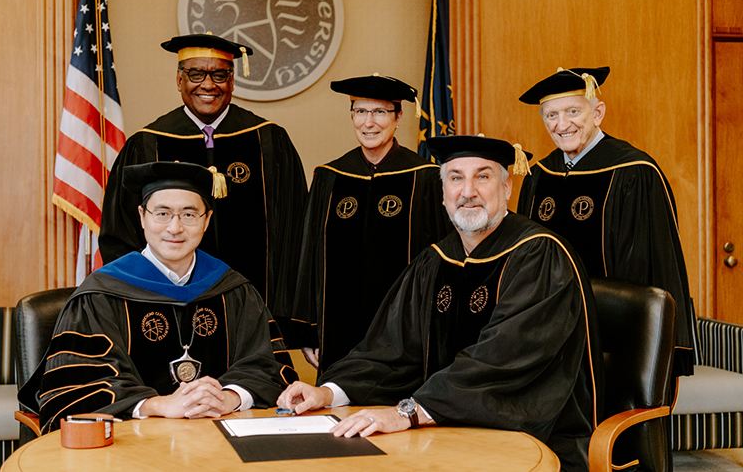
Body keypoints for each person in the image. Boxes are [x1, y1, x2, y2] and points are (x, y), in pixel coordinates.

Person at [278, 136, 603, 472]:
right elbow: (391, 348)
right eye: (456, 178)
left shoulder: (540, 254)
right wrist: (330, 393)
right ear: (444, 194)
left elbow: (501, 360)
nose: (468, 191)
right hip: (446, 431)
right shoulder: (435, 261)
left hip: (535, 441)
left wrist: (408, 411)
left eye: (483, 176)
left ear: (507, 187)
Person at [19, 162, 295, 433]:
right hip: (130, 446)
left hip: (219, 438)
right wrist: (157, 404)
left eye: (189, 214)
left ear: (207, 219)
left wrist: (228, 397)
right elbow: (78, 385)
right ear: (142, 216)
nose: (174, 228)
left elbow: (266, 366)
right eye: (162, 213)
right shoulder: (101, 294)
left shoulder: (234, 290)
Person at [98, 33, 308, 331]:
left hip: (255, 314)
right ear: (179, 80)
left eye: (219, 74)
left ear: (232, 81)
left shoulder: (270, 141)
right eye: (196, 74)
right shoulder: (148, 144)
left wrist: (284, 317)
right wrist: (144, 303)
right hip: (168, 313)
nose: (208, 85)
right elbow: (120, 236)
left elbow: (295, 234)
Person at [516, 66, 695, 379]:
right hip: (551, 338)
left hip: (615, 340)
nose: (562, 124)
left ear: (597, 113)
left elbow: (645, 266)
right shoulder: (540, 175)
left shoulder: (634, 172)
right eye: (551, 115)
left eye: (573, 111)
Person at [291, 74, 451, 373]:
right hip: (339, 332)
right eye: (361, 112)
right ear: (352, 116)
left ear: (398, 117)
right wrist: (308, 329)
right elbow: (309, 258)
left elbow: (441, 260)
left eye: (380, 112)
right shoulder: (330, 177)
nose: (369, 123)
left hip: (405, 334)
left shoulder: (425, 177)